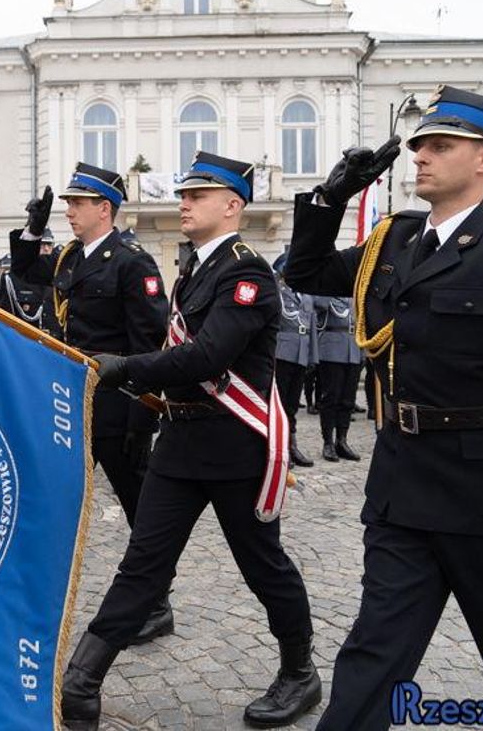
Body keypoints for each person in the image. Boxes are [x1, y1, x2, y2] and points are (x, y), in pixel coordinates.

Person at [285, 85, 483, 730]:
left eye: (441, 145)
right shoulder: (395, 240)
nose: (421, 156)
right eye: (420, 145)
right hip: (403, 490)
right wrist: (329, 198)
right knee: (372, 656)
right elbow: (306, 273)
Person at [62, 152, 320, 730]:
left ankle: (300, 670)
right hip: (181, 442)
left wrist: (124, 366)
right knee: (143, 563)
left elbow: (207, 355)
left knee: (263, 566)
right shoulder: (196, 266)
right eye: (184, 193)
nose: (184, 201)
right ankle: (82, 682)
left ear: (232, 206)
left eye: (198, 195)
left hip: (235, 445)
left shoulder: (247, 272)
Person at [10, 162, 171, 642]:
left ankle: (157, 602)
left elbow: (149, 344)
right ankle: (37, 592)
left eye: (77, 204)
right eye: (67, 205)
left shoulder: (132, 261)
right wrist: (33, 227)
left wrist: (143, 418)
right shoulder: (69, 259)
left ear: (105, 209)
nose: (69, 213)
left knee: (139, 509)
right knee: (54, 497)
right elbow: (24, 269)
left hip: (118, 412)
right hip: (70, 408)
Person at [272, 252, 316, 468]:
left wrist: (312, 357)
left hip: (301, 353)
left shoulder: (306, 296)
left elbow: (312, 329)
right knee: (278, 405)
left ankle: (292, 445)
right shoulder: (277, 293)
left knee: (291, 406)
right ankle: (278, 448)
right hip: (282, 353)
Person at [313, 296, 362, 462]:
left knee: (348, 400)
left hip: (353, 350)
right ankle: (328, 443)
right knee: (330, 398)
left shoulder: (354, 296)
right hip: (332, 349)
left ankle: (342, 440)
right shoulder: (326, 295)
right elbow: (317, 304)